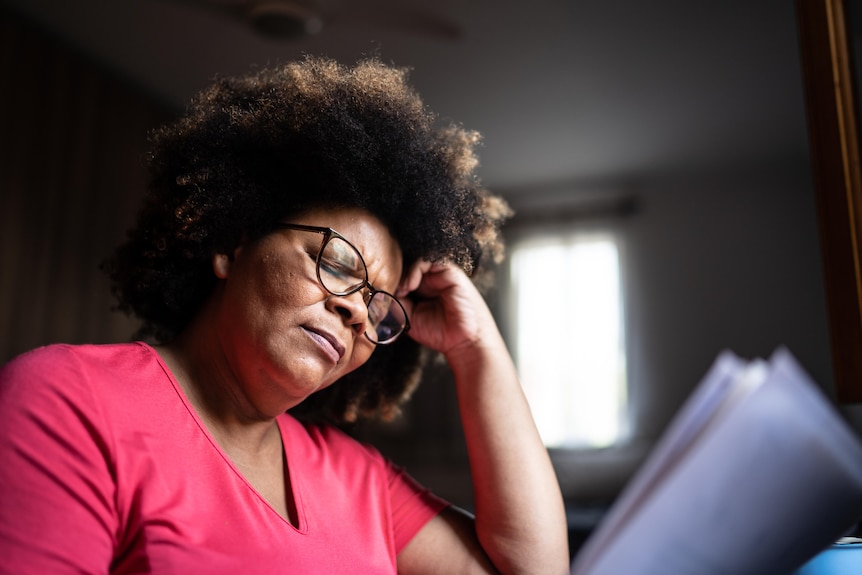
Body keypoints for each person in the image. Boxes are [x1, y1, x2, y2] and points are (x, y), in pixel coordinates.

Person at [0, 56, 569, 574]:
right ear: (232, 245)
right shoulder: (70, 397)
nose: (354, 309)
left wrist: (477, 348)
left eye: (378, 305)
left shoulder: (361, 480)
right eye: (337, 264)